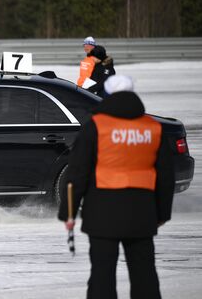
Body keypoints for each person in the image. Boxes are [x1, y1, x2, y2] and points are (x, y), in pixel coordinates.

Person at [58, 75, 175, 299]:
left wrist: (69, 212)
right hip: (142, 212)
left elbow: (77, 172)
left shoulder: (96, 126)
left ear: (108, 96)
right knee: (144, 273)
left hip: (102, 213)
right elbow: (165, 176)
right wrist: (161, 213)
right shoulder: (152, 127)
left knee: (102, 274)